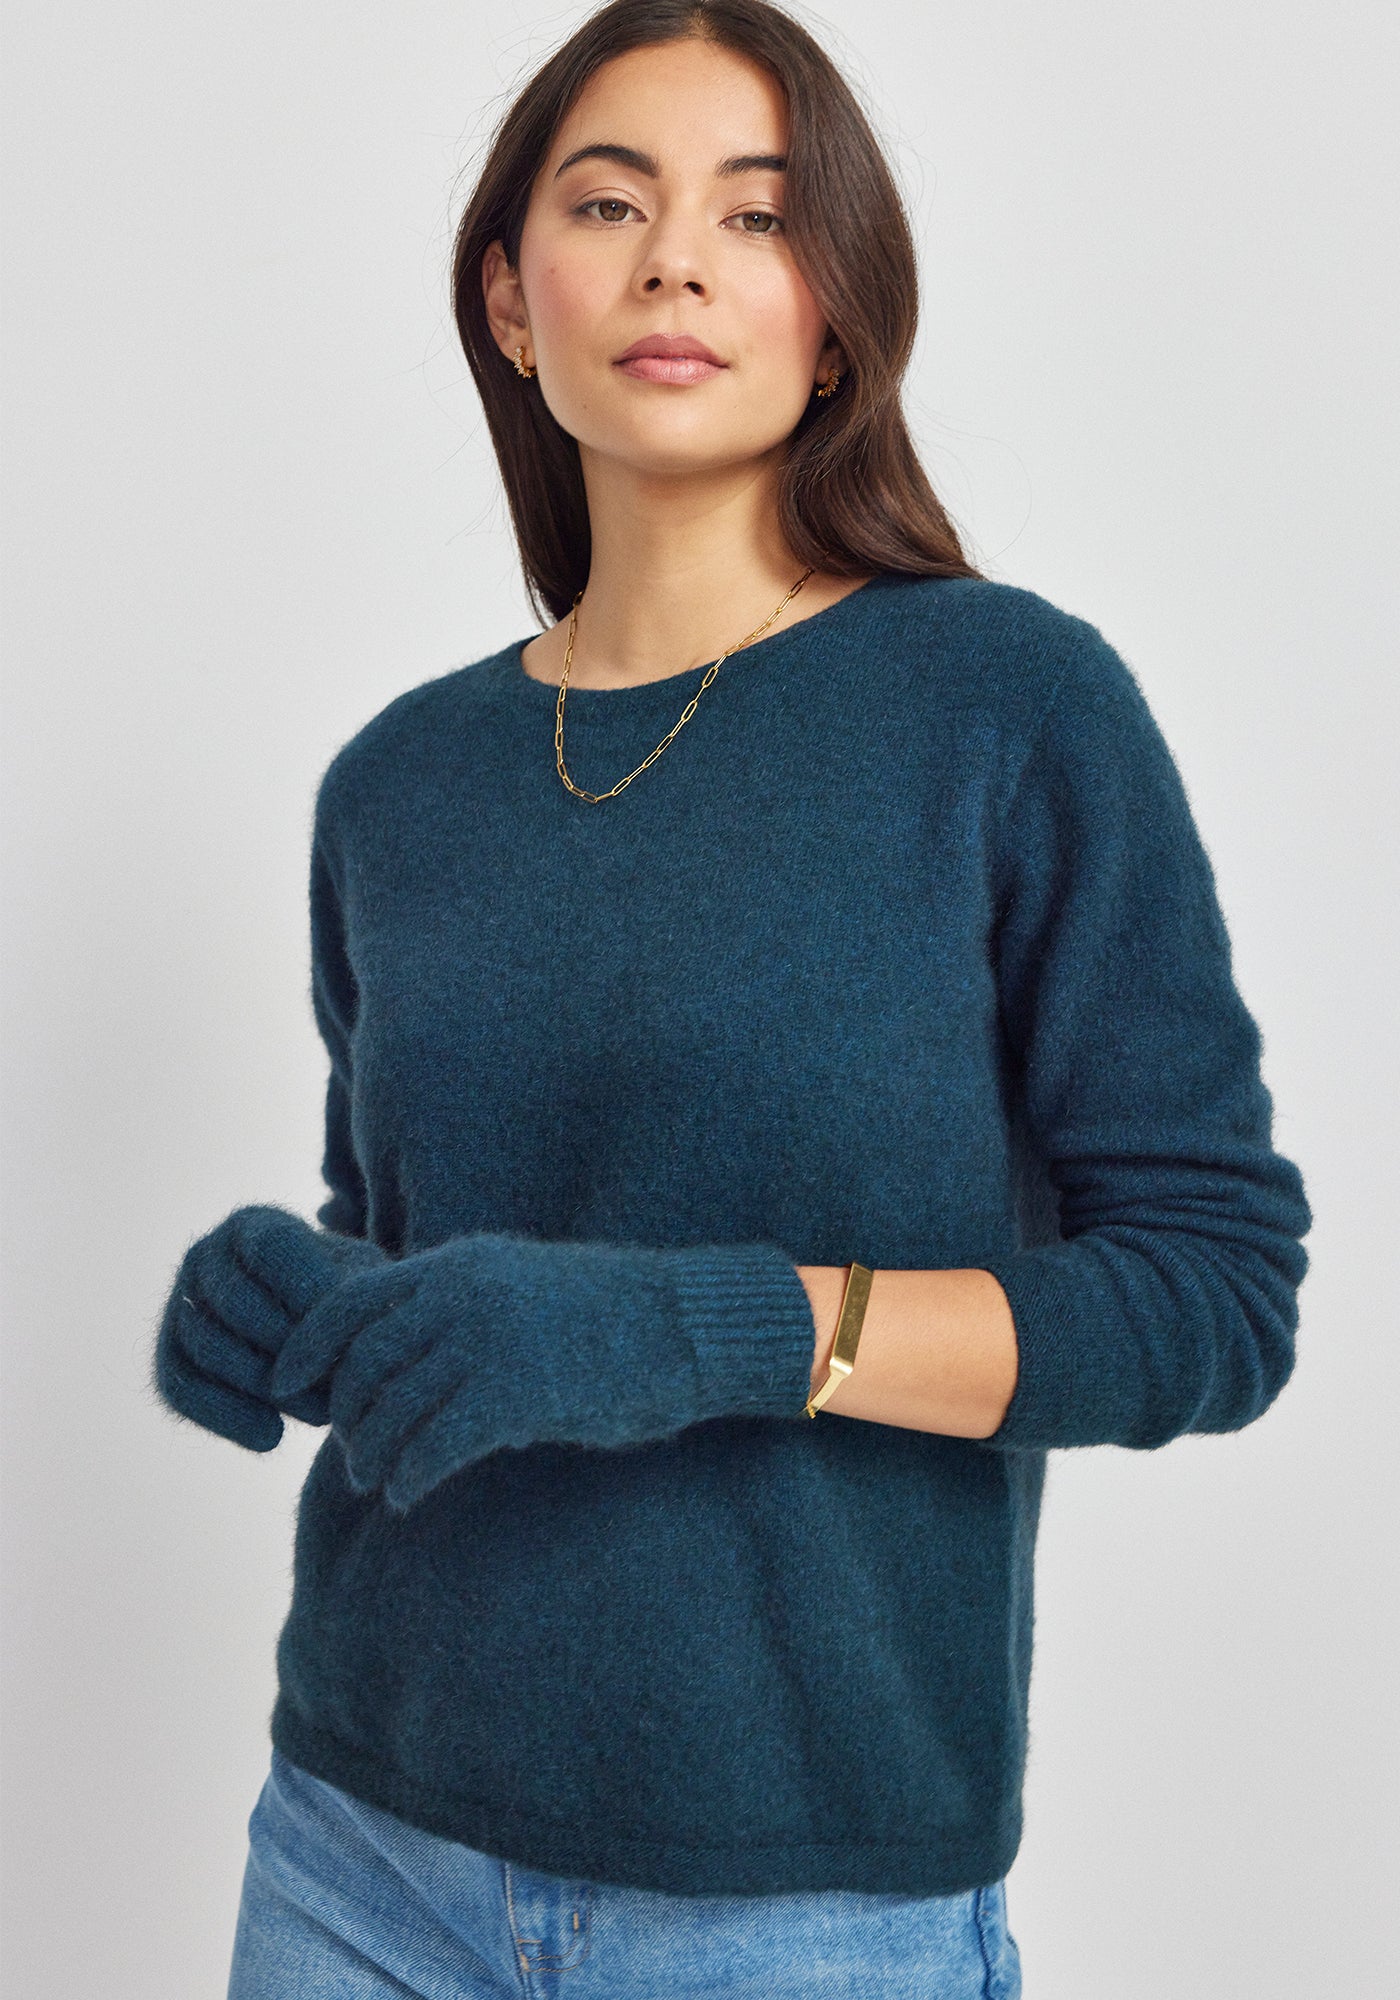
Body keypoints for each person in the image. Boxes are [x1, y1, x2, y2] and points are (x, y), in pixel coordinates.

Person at [151, 2, 1311, 1993]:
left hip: (799, 1907)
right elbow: (437, 1249)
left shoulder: (1006, 708)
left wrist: (709, 1329)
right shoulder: (395, 785)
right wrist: (304, 1301)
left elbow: (1209, 1299)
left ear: (834, 316)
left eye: (756, 216)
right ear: (510, 300)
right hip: (355, 1852)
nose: (676, 260)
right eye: (610, 204)